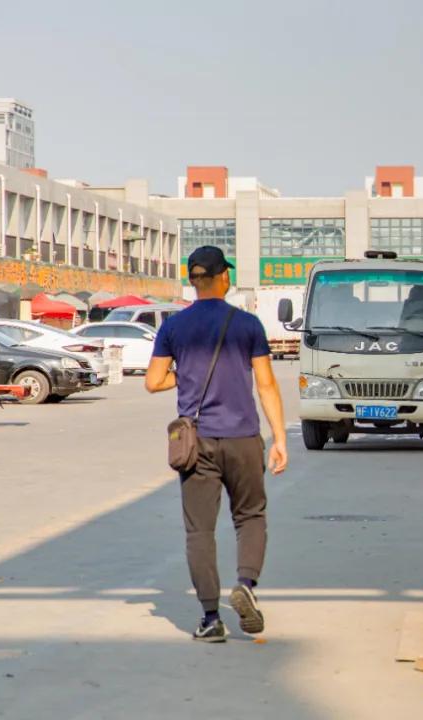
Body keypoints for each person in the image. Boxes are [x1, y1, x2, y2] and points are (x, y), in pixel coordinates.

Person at [145, 246, 289, 643]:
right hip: (243, 438)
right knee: (250, 516)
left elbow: (154, 381)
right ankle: (245, 584)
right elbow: (266, 384)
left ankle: (211, 618)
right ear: (223, 277)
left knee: (199, 531)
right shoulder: (248, 325)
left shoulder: (173, 327)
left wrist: (185, 376)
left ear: (193, 281)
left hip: (197, 442)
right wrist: (278, 439)